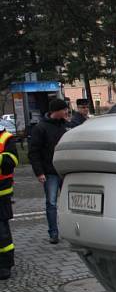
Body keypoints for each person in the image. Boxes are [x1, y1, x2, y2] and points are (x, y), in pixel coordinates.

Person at [28, 98, 69, 244]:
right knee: (51, 203)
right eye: (64, 109)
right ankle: (53, 233)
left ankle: (69, 231)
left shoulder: (66, 126)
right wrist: (39, 172)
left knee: (68, 203)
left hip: (65, 172)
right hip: (50, 172)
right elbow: (34, 152)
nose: (66, 112)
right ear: (55, 111)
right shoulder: (40, 128)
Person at [0, 122, 18, 280]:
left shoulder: (6, 139)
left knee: (2, 231)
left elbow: (10, 162)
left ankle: (5, 265)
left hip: (1, 194)